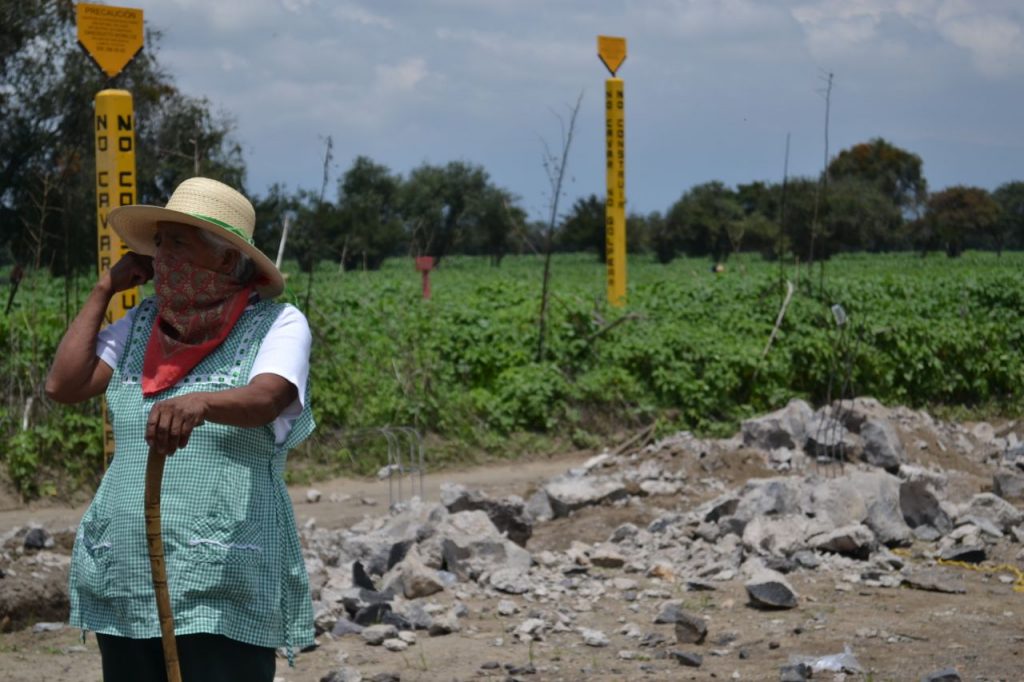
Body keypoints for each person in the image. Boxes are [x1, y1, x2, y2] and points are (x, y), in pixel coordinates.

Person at [46, 177, 315, 682]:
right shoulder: (142, 323)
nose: (164, 259)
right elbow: (65, 384)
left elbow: (267, 398)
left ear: (226, 260)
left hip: (222, 572)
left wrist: (201, 403)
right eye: (160, 245)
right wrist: (105, 289)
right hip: (128, 572)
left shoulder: (278, 324)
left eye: (180, 244)